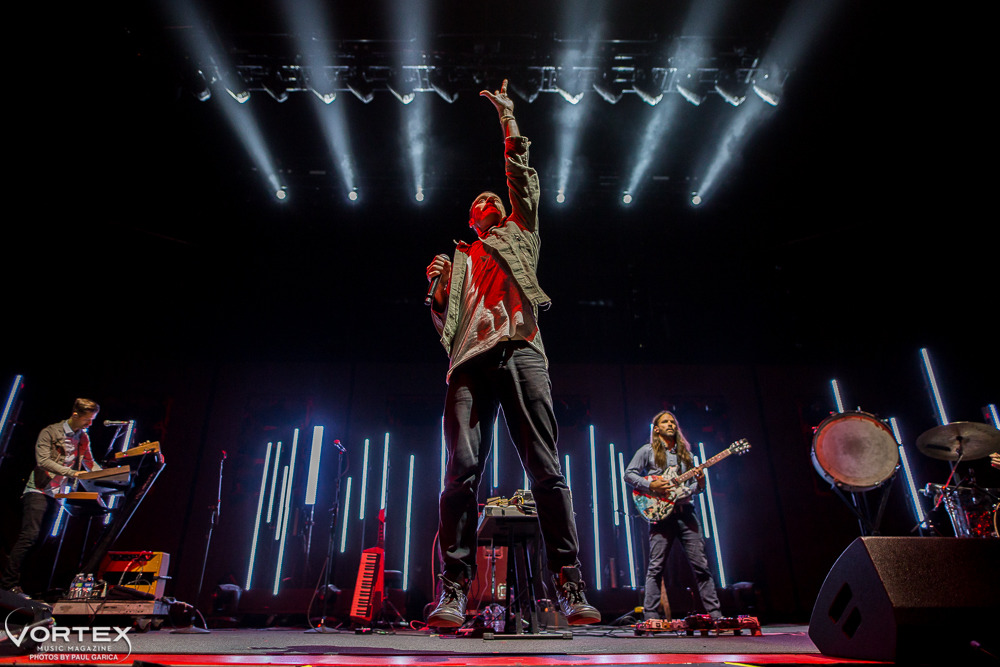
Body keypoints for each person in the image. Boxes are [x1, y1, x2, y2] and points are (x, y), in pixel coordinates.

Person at [423, 79, 600, 628]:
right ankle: (454, 590)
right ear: (471, 219)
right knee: (460, 472)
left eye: (495, 199)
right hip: (469, 361)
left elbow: (521, 177)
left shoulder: (520, 233)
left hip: (520, 348)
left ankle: (569, 583)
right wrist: (435, 292)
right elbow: (446, 326)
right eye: (480, 202)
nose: (490, 201)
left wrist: (508, 120)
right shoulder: (458, 261)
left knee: (545, 468)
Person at [624, 410, 722, 620]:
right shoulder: (647, 451)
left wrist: (701, 483)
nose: (670, 424)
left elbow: (693, 488)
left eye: (673, 422)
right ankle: (651, 617)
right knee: (656, 567)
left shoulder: (686, 455)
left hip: (686, 513)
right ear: (656, 428)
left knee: (702, 566)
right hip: (660, 515)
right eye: (665, 422)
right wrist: (651, 485)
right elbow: (629, 474)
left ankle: (715, 615)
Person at [1, 398, 102, 597]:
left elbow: (90, 463)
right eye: (87, 419)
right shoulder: (50, 432)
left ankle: (16, 584)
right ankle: (7, 583)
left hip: (57, 495)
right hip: (38, 490)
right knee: (30, 536)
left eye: (92, 420)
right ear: (75, 415)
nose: (90, 424)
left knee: (40, 541)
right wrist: (72, 473)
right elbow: (43, 461)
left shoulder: (83, 438)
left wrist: (111, 476)